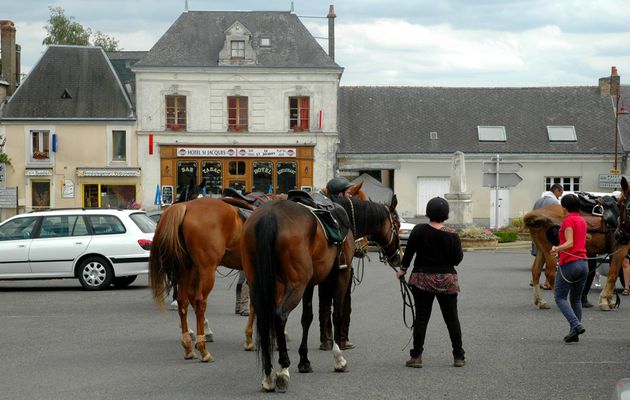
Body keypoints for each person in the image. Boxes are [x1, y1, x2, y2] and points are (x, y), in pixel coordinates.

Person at [396, 197, 465, 368]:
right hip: (447, 280)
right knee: (452, 319)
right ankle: (459, 356)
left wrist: (402, 270)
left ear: (428, 212)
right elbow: (457, 260)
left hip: (422, 279)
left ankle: (417, 356)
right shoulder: (452, 234)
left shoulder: (419, 230)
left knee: (421, 318)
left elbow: (409, 252)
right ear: (446, 214)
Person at [319, 176, 354, 350]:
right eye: (348, 193)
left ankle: (325, 338)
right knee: (341, 300)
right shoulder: (339, 211)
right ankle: (341, 338)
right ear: (340, 194)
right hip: (337, 265)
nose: (350, 196)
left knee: (324, 300)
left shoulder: (322, 208)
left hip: (323, 265)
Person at [550, 194, 588, 343]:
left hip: (570, 264)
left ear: (564, 207)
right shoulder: (582, 220)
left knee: (559, 297)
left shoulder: (568, 221)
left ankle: (576, 325)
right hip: (583, 263)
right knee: (576, 299)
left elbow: (570, 243)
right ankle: (574, 333)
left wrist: (556, 248)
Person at [529, 183, 563, 289]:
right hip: (548, 234)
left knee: (540, 257)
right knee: (550, 256)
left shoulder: (538, 201)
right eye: (560, 192)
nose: (560, 195)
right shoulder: (554, 202)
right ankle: (548, 282)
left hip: (536, 232)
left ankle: (534, 279)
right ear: (556, 190)